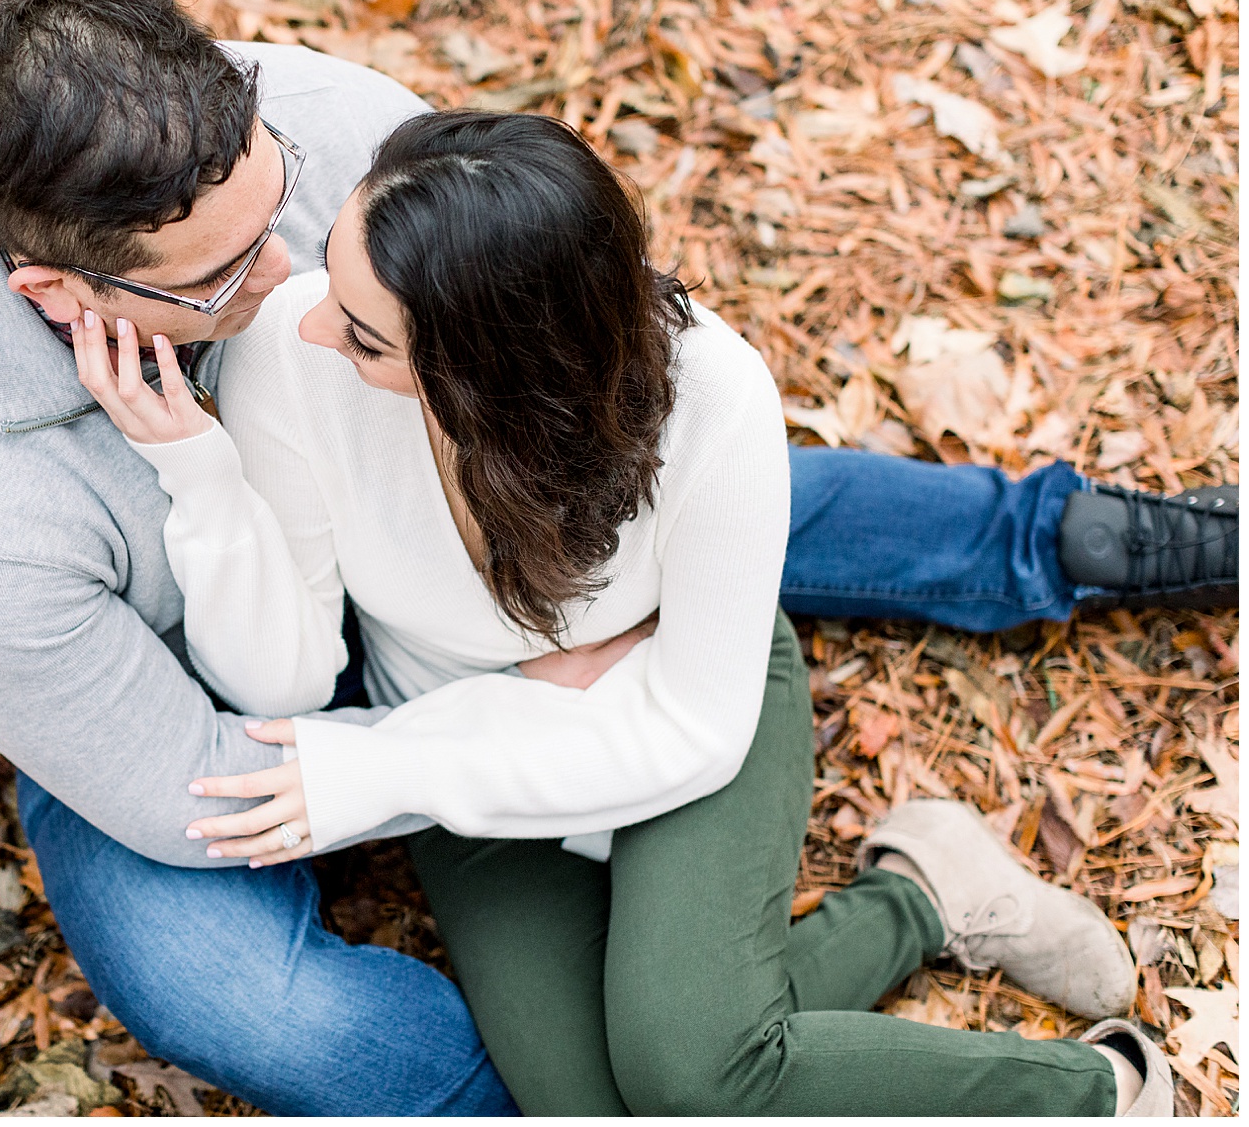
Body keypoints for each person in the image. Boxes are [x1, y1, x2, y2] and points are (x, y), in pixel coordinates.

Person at [0, 0, 1228, 1113]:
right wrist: (208, 476)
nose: (293, 280)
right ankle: (800, 969)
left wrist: (454, 714)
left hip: (587, 636)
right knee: (251, 1002)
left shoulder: (329, 167)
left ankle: (1056, 557)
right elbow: (241, 739)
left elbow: (565, 338)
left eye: (293, 202)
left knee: (692, 1045)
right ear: (64, 290)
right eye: (232, 272)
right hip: (216, 700)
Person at [77, 107, 1175, 1116]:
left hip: (675, 714)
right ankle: (923, 895)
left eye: (366, 336)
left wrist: (395, 766)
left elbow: (697, 727)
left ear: (487, 376)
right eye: (338, 282)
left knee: (694, 1078)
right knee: (598, 1107)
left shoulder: (715, 399)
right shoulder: (292, 358)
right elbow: (288, 682)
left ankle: (1105, 1090)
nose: (312, 328)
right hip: (464, 753)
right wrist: (201, 479)